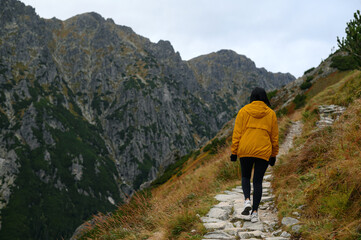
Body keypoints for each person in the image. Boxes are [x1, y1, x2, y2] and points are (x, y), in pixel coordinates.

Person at [230, 87, 279, 223]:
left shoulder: (243, 111)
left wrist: (234, 152)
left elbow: (237, 133)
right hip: (263, 151)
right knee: (257, 181)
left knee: (245, 176)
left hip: (245, 149)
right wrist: (273, 155)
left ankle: (247, 200)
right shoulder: (271, 114)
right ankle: (255, 213)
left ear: (252, 97)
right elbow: (274, 137)